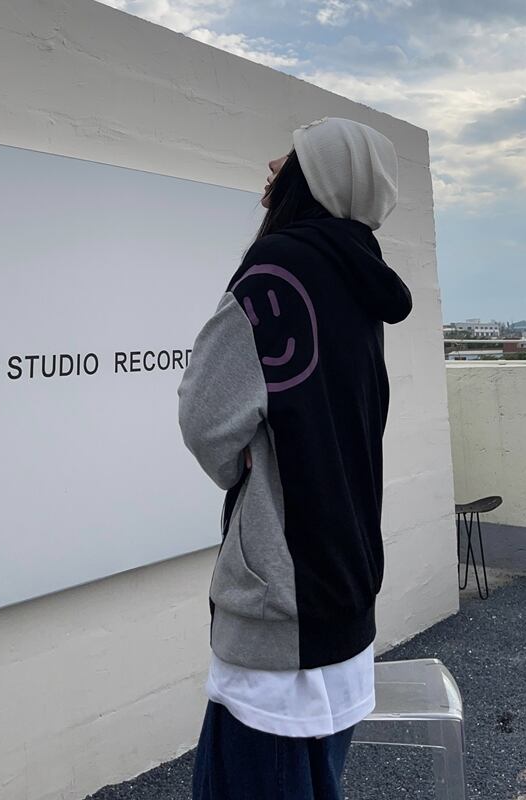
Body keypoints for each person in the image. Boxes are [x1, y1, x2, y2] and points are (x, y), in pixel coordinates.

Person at [177, 116, 413, 799]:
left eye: (291, 156)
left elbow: (205, 415)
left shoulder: (276, 270)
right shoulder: (359, 278)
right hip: (345, 586)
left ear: (320, 175)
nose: (272, 166)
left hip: (282, 608)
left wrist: (244, 469)